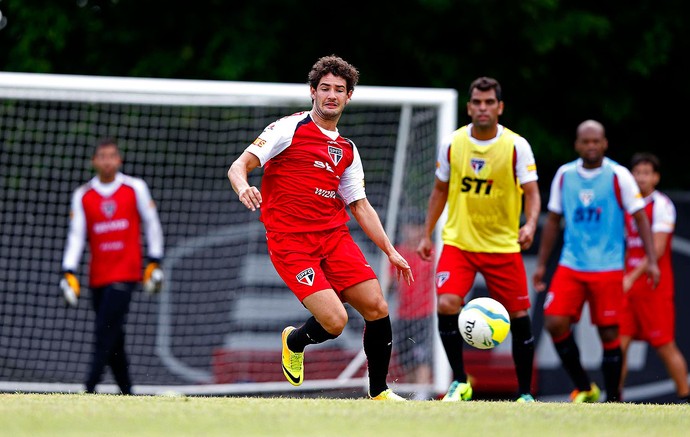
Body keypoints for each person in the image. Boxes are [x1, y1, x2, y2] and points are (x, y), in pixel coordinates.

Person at [227, 55, 414, 401]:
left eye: (339, 90)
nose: (331, 95)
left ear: (348, 97)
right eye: (325, 88)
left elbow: (359, 205)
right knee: (335, 320)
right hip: (290, 243)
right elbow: (239, 166)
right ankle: (294, 341)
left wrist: (390, 250)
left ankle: (379, 394)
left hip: (334, 238)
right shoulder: (288, 128)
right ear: (312, 92)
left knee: (377, 306)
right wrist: (243, 187)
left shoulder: (347, 150)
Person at [416, 76, 541, 403]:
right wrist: (428, 233)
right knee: (446, 304)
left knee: (520, 318)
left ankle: (525, 393)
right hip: (460, 243)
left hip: (502, 246)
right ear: (469, 107)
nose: (483, 108)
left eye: (489, 103)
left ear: (499, 107)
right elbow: (440, 190)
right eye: (477, 103)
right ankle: (460, 381)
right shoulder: (453, 144)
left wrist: (529, 225)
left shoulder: (516, 145)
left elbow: (532, 193)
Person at [532, 120, 660, 403]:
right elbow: (553, 219)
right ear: (577, 144)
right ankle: (585, 387)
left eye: (596, 141)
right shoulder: (565, 175)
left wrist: (651, 260)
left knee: (609, 332)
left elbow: (639, 215)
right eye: (585, 141)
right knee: (554, 322)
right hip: (571, 265)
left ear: (604, 144)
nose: (591, 146)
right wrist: (541, 264)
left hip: (608, 266)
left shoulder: (619, 175)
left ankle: (613, 398)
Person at [60, 138, 164, 395]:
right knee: (113, 335)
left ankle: (89, 388)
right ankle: (127, 390)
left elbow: (152, 224)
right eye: (102, 156)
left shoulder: (134, 188)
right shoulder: (83, 195)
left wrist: (155, 260)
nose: (107, 161)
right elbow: (76, 235)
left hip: (126, 273)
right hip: (98, 276)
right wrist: (68, 270)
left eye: (111, 156)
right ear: (94, 161)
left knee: (104, 331)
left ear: (119, 160)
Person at [620, 152, 689, 402]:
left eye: (647, 173)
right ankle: (614, 401)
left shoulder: (662, 205)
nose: (641, 178)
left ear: (656, 178)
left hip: (653, 287)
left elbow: (657, 251)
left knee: (664, 344)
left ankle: (685, 397)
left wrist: (631, 277)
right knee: (619, 345)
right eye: (637, 172)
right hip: (628, 289)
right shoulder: (626, 205)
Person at [390, 217, 435, 400]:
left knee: (422, 358)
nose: (411, 232)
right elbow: (390, 284)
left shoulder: (431, 253)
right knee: (406, 361)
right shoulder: (396, 253)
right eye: (408, 227)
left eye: (415, 227)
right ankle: (412, 395)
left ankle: (422, 395)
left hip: (425, 314)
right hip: (403, 316)